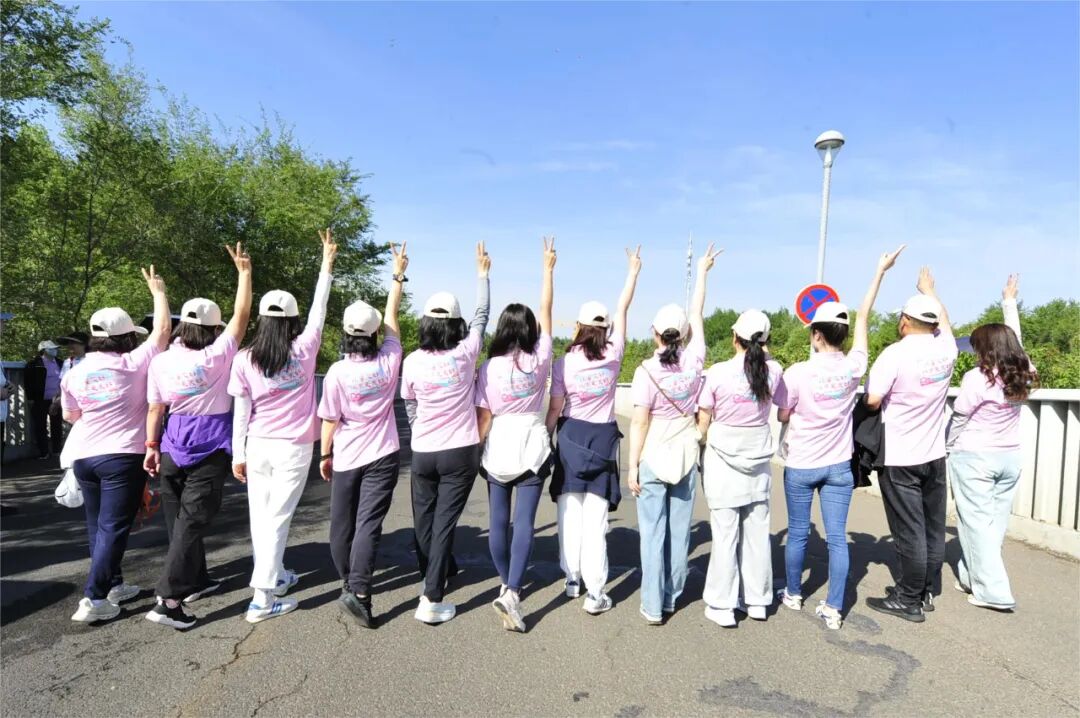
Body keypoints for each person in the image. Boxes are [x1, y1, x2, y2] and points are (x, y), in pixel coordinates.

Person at [775, 246, 906, 630]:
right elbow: (863, 316)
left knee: (798, 533)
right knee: (836, 538)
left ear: (815, 335)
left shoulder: (796, 373)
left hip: (801, 464)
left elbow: (782, 413)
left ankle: (793, 594)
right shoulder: (853, 367)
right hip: (838, 466)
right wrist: (879, 272)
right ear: (843, 335)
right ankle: (834, 608)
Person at [142, 243, 253, 630]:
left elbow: (155, 409)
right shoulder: (217, 355)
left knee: (179, 523)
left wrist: (151, 448)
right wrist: (244, 274)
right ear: (214, 329)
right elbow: (242, 316)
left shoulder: (161, 361)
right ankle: (168, 601)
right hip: (210, 447)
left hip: (171, 445)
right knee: (191, 524)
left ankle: (198, 579)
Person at [229, 229, 337, 624]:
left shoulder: (244, 358)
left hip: (257, 444)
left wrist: (237, 453)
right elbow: (319, 311)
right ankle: (262, 597)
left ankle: (274, 576)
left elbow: (241, 410)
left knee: (262, 516)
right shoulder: (305, 349)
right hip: (294, 446)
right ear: (292, 320)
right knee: (278, 517)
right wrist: (326, 265)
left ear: (261, 319)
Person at [60, 266, 171, 623]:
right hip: (122, 456)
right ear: (126, 339)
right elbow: (163, 331)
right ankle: (93, 599)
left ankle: (114, 585)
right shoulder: (133, 363)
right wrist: (158, 292)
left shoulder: (74, 372)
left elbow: (71, 416)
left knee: (97, 526)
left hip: (84, 458)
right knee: (114, 528)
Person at [546, 246, 642, 616]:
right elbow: (623, 310)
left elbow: (555, 408)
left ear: (579, 328)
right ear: (605, 330)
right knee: (596, 520)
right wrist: (632, 273)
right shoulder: (614, 355)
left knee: (569, 512)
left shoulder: (564, 363)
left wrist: (546, 437)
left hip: (571, 437)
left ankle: (571, 579)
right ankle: (595, 591)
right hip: (602, 439)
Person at [318, 242, 409, 629]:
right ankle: (359, 591)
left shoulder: (337, 372)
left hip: (347, 455)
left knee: (341, 523)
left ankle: (348, 581)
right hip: (383, 454)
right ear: (373, 334)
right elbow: (392, 319)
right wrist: (397, 275)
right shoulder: (390, 359)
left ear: (344, 331)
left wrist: (325, 455)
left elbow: (330, 419)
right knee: (368, 523)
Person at [628, 246, 719, 625]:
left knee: (652, 533)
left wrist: (632, 466)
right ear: (683, 334)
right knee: (679, 531)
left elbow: (639, 423)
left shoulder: (645, 372)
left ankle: (652, 605)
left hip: (653, 453)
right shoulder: (695, 359)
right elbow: (697, 312)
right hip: (684, 452)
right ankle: (671, 597)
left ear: (654, 333)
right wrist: (703, 272)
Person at [402, 242, 491, 625]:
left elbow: (409, 404)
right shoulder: (465, 353)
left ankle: (434, 572)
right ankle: (432, 597)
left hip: (423, 450)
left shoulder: (411, 361)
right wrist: (483, 275)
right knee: (444, 522)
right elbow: (482, 315)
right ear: (456, 325)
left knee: (425, 519)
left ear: (425, 323)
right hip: (460, 451)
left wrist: (421, 429)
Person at [864, 267, 958, 623]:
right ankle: (925, 591)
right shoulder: (946, 350)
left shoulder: (895, 354)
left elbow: (873, 399)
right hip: (935, 454)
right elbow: (945, 323)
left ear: (904, 321)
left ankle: (908, 600)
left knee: (909, 531)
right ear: (932, 323)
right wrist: (930, 291)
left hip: (901, 456)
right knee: (932, 528)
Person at [475, 237, 556, 632]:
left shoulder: (488, 368)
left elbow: (484, 415)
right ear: (531, 331)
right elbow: (547, 311)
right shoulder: (540, 359)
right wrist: (548, 270)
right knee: (524, 522)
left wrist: (475, 449)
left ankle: (506, 583)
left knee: (498, 521)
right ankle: (512, 591)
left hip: (499, 444)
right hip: (531, 444)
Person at [947, 274, 1036, 612]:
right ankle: (971, 577)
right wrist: (1009, 302)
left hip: (975, 458)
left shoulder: (977, 378)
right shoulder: (1023, 371)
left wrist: (946, 446)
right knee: (993, 526)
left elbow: (960, 418)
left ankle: (994, 592)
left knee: (975, 525)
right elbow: (1017, 341)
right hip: (1009, 458)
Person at [696, 307, 783, 628]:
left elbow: (704, 419)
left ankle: (722, 604)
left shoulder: (718, 373)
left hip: (723, 459)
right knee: (758, 532)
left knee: (725, 534)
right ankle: (757, 600)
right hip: (758, 458)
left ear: (735, 337)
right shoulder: (775, 371)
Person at [26, 339, 63, 459]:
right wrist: (30, 398)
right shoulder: (34, 364)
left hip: (57, 400)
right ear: (44, 350)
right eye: (52, 349)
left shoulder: (60, 363)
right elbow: (28, 382)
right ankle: (44, 452)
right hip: (40, 400)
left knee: (56, 425)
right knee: (40, 426)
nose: (55, 351)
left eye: (55, 349)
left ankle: (57, 450)